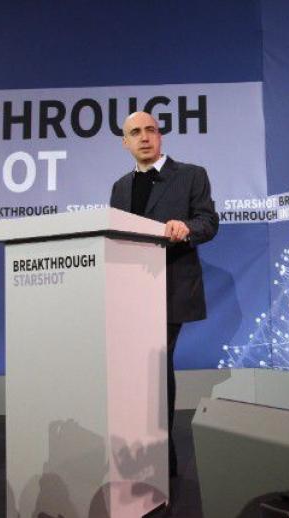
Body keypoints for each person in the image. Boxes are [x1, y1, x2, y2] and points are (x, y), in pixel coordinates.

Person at [110, 111, 219, 478]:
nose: (144, 137)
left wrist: (185, 227)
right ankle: (136, 448)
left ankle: (161, 454)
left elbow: (209, 222)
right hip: (129, 292)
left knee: (156, 364)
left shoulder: (191, 175)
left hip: (170, 288)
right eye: (135, 132)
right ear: (125, 143)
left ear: (161, 137)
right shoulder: (120, 187)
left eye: (150, 130)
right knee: (136, 368)